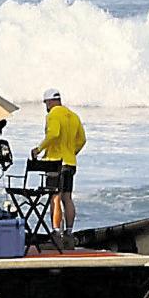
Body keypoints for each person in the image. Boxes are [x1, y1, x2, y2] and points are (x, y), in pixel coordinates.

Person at [28, 88, 84, 234]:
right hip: (70, 162)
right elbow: (82, 140)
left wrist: (38, 149)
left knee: (55, 197)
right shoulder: (73, 116)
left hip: (55, 162)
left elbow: (53, 134)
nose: (46, 106)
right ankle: (69, 232)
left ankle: (56, 232)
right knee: (67, 197)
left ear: (50, 102)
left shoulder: (53, 114)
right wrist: (72, 152)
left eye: (46, 103)